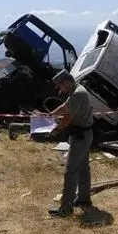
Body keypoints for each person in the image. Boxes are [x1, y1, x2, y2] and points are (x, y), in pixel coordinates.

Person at [47, 69, 94, 218]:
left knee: (70, 171)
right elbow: (65, 107)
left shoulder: (78, 93)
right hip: (84, 134)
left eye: (60, 86)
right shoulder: (76, 91)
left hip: (81, 136)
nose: (60, 89)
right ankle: (83, 199)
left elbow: (68, 116)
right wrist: (50, 115)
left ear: (66, 83)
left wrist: (56, 129)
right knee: (83, 167)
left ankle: (66, 209)